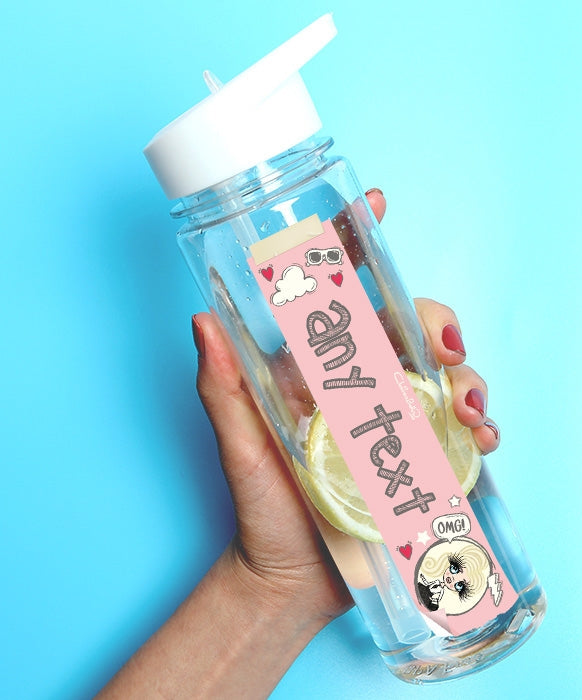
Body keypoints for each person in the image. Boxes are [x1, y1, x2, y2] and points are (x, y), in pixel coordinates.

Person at [97, 189, 500, 699]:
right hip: (358, 560)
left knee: (416, 381)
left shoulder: (306, 190)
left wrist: (283, 586)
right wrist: (282, 582)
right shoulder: (211, 239)